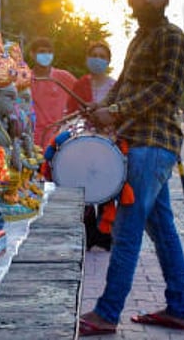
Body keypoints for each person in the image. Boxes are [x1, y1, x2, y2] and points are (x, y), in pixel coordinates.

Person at [79, 0, 184, 335]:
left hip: (153, 145)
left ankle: (107, 314)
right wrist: (101, 109)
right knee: (163, 231)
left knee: (126, 233)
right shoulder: (137, 40)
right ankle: (180, 308)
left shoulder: (173, 37)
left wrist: (112, 112)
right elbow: (123, 88)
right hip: (139, 144)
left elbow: (166, 90)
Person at [66, 41, 117, 251]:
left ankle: (105, 233)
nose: (97, 58)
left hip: (108, 142)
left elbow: (117, 113)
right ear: (88, 58)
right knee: (84, 187)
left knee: (107, 187)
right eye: (94, 54)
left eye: (102, 55)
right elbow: (69, 114)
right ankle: (87, 232)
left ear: (108, 60)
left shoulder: (114, 87)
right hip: (83, 142)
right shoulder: (79, 85)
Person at [29, 37, 77, 147]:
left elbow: (82, 97)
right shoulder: (25, 78)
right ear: (32, 54)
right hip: (32, 141)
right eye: (42, 52)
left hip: (60, 140)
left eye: (49, 52)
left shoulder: (64, 77)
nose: (46, 55)